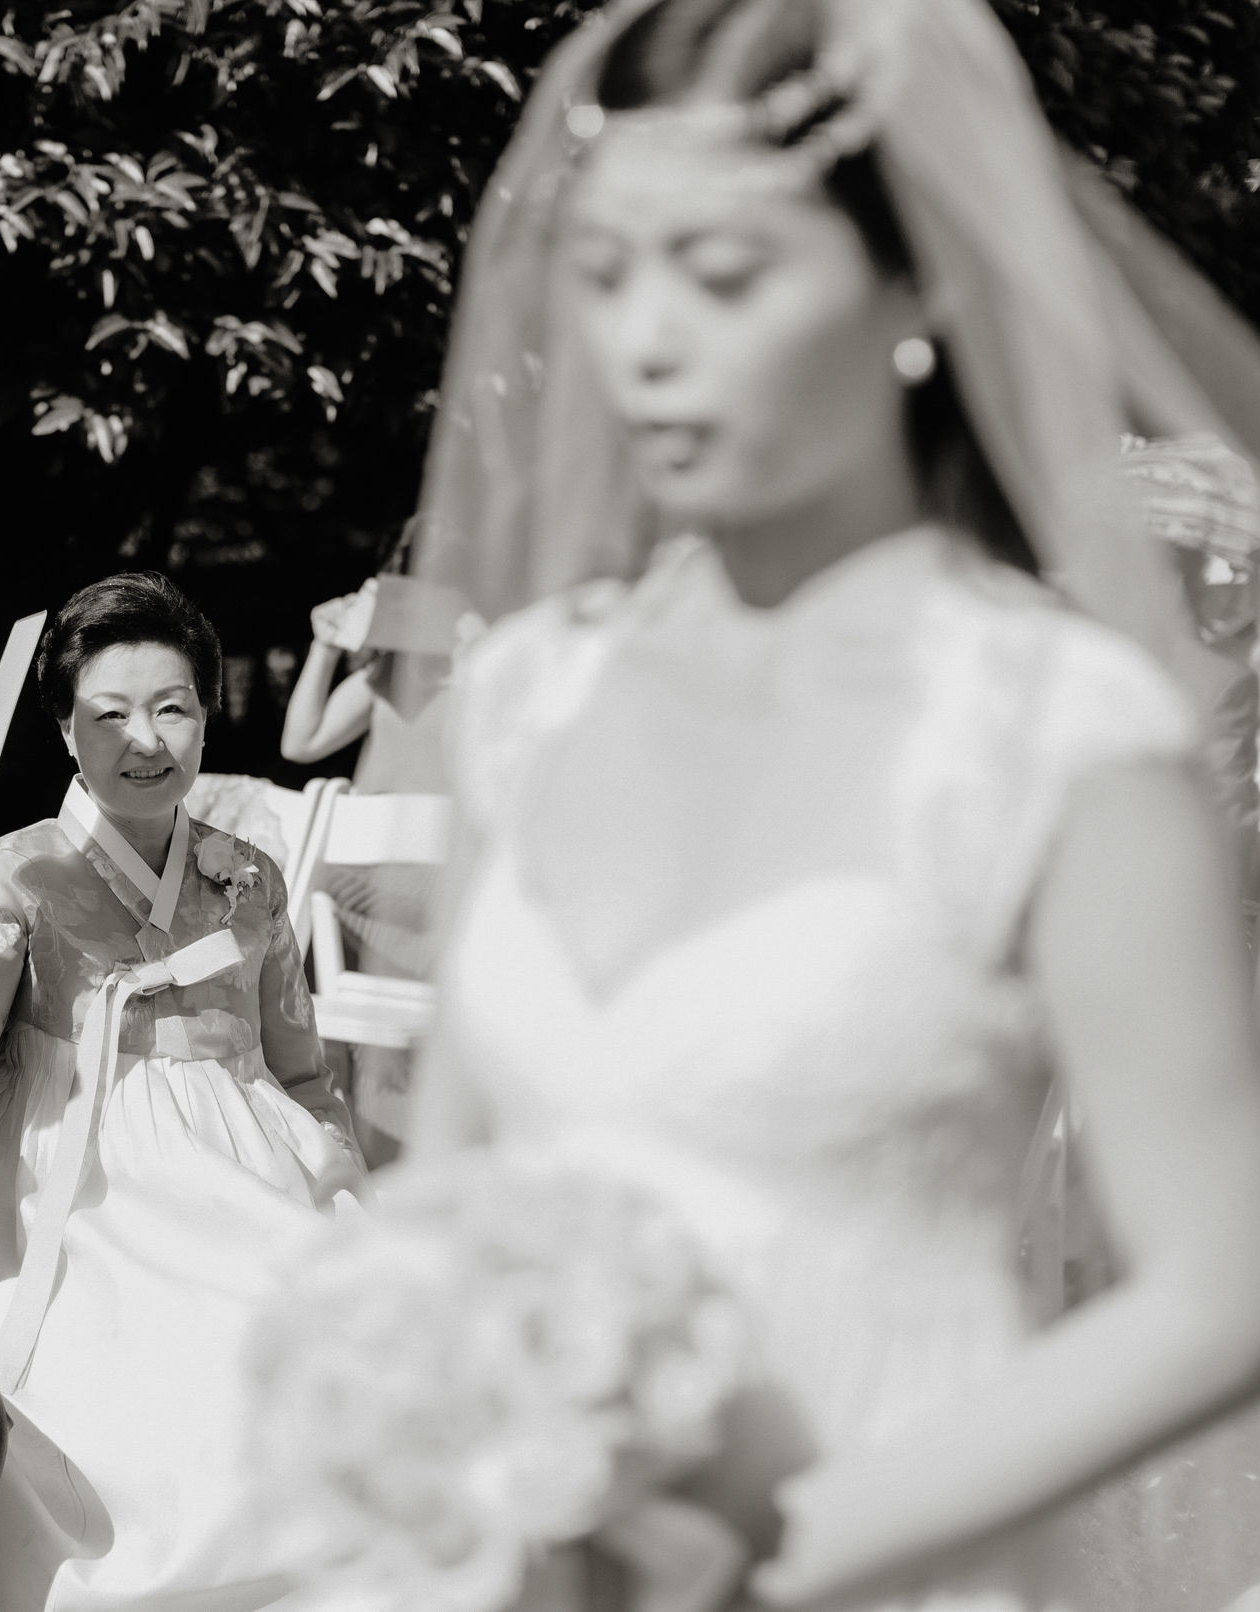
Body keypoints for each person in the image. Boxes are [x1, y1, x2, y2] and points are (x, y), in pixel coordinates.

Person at [405, 0, 1260, 1607]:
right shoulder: (531, 695)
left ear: (917, 275)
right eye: (602, 274)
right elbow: (451, 1190)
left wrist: (757, 1561)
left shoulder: (1054, 729)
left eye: (723, 276)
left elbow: (1224, 1290)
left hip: (884, 1551)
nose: (646, 340)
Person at [0, 572, 364, 1612]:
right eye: (109, 714)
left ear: (205, 714)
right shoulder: (14, 873)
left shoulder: (247, 874)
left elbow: (295, 1064)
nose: (144, 740)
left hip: (247, 1156)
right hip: (72, 1175)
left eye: (171, 707)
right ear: (65, 732)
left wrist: (336, 1167)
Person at [280, 539, 457, 1164]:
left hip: (420, 892)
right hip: (372, 894)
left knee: (308, 894)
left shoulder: (489, 665)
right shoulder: (386, 676)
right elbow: (301, 742)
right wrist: (328, 644)